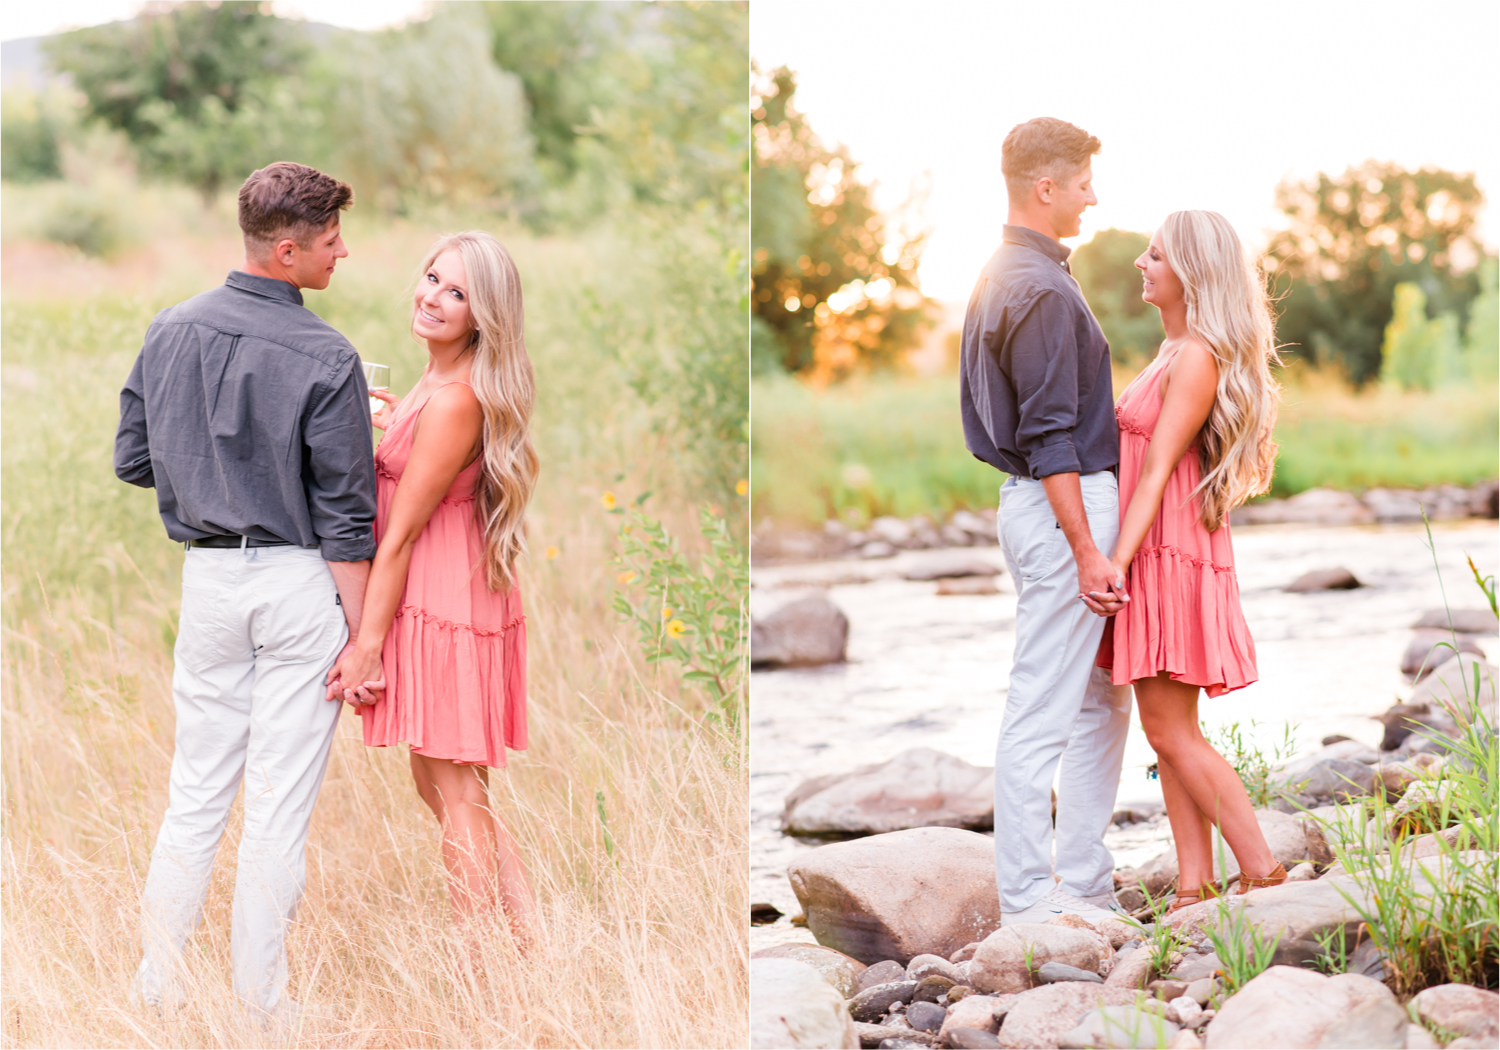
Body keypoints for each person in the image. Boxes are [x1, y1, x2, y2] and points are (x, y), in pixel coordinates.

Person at [115, 162, 374, 1021]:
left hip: (209, 585)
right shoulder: (328, 354)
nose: (345, 254)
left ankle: (156, 989)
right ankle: (262, 1008)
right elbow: (345, 517)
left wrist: (212, 476)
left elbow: (133, 459)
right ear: (289, 248)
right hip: (300, 585)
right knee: (276, 807)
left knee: (195, 792)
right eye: (333, 242)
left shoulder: (168, 327)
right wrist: (367, 636)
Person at [326, 231, 539, 941]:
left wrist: (367, 646)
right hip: (442, 583)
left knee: (453, 787)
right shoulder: (435, 379)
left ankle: (475, 967)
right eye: (431, 277)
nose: (433, 297)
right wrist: (384, 424)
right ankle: (531, 937)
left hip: (440, 591)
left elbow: (402, 533)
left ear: (484, 316)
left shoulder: (456, 398)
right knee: (444, 783)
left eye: (457, 293)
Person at [960, 118, 1134, 926]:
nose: (1092, 196)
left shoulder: (1011, 274)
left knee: (1102, 701)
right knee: (1042, 706)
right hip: (1062, 505)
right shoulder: (1034, 288)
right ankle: (1030, 901)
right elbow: (1048, 433)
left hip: (1045, 505)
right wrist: (1087, 548)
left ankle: (1088, 884)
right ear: (1045, 188)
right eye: (1083, 182)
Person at [1091, 210, 1287, 911]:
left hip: (1167, 552)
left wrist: (1113, 560)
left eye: (1156, 257)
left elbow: (1154, 475)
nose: (1142, 265)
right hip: (1161, 548)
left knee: (1169, 729)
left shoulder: (1198, 355)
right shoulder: (1173, 349)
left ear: (1192, 274)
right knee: (1170, 732)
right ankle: (1194, 884)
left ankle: (1261, 868)